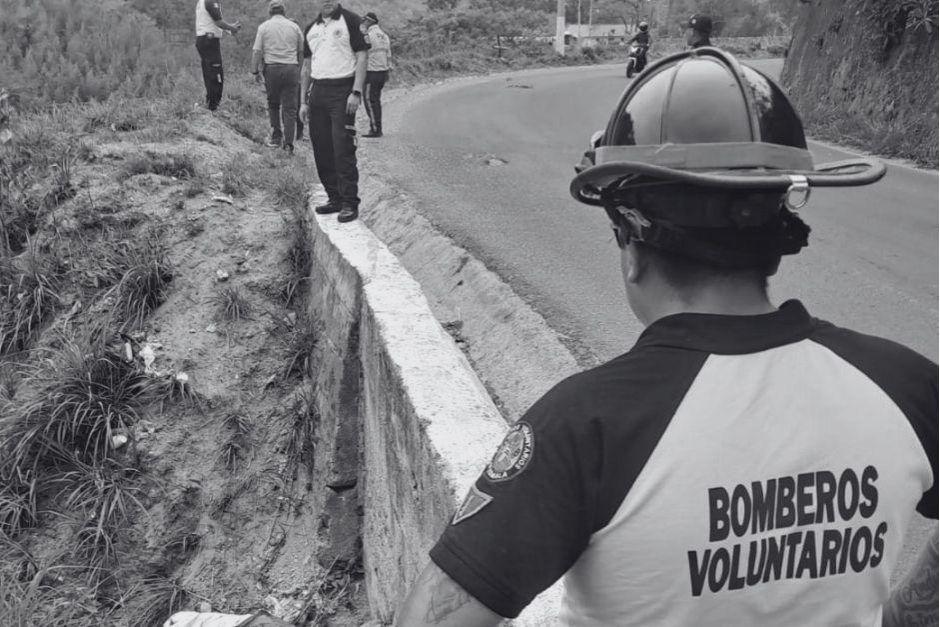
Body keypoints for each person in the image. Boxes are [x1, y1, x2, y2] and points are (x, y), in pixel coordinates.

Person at [397, 48, 938, 626]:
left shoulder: (585, 427)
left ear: (630, 243)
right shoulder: (905, 385)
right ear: (777, 233)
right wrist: (906, 615)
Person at [299, 1, 369, 224]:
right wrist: (303, 102)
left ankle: (349, 202)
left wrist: (356, 92)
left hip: (343, 90)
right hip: (317, 91)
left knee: (343, 147)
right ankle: (334, 197)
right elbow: (307, 67)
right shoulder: (311, 28)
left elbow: (362, 57)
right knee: (322, 148)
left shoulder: (351, 21)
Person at [251, 0, 304, 154]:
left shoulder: (264, 27)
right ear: (284, 12)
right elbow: (301, 51)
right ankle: (288, 145)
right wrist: (298, 69)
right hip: (291, 68)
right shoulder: (294, 27)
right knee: (290, 108)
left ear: (270, 12)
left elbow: (257, 51)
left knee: (273, 104)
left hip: (272, 69)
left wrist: (255, 71)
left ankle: (276, 137)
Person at [194, 0, 240, 111]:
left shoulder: (203, 1)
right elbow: (218, 22)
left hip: (204, 39)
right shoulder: (211, 1)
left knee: (209, 72)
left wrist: (228, 30)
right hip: (209, 40)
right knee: (216, 72)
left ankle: (210, 103)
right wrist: (231, 28)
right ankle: (213, 106)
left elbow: (211, 23)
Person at [361, 12, 391, 138]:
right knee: (376, 100)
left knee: (369, 101)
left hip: (372, 72)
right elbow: (389, 55)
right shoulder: (384, 35)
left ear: (369, 21)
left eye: (365, 21)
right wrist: (388, 71)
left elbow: (362, 54)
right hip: (383, 72)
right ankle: (377, 127)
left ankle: (375, 129)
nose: (363, 23)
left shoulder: (368, 35)